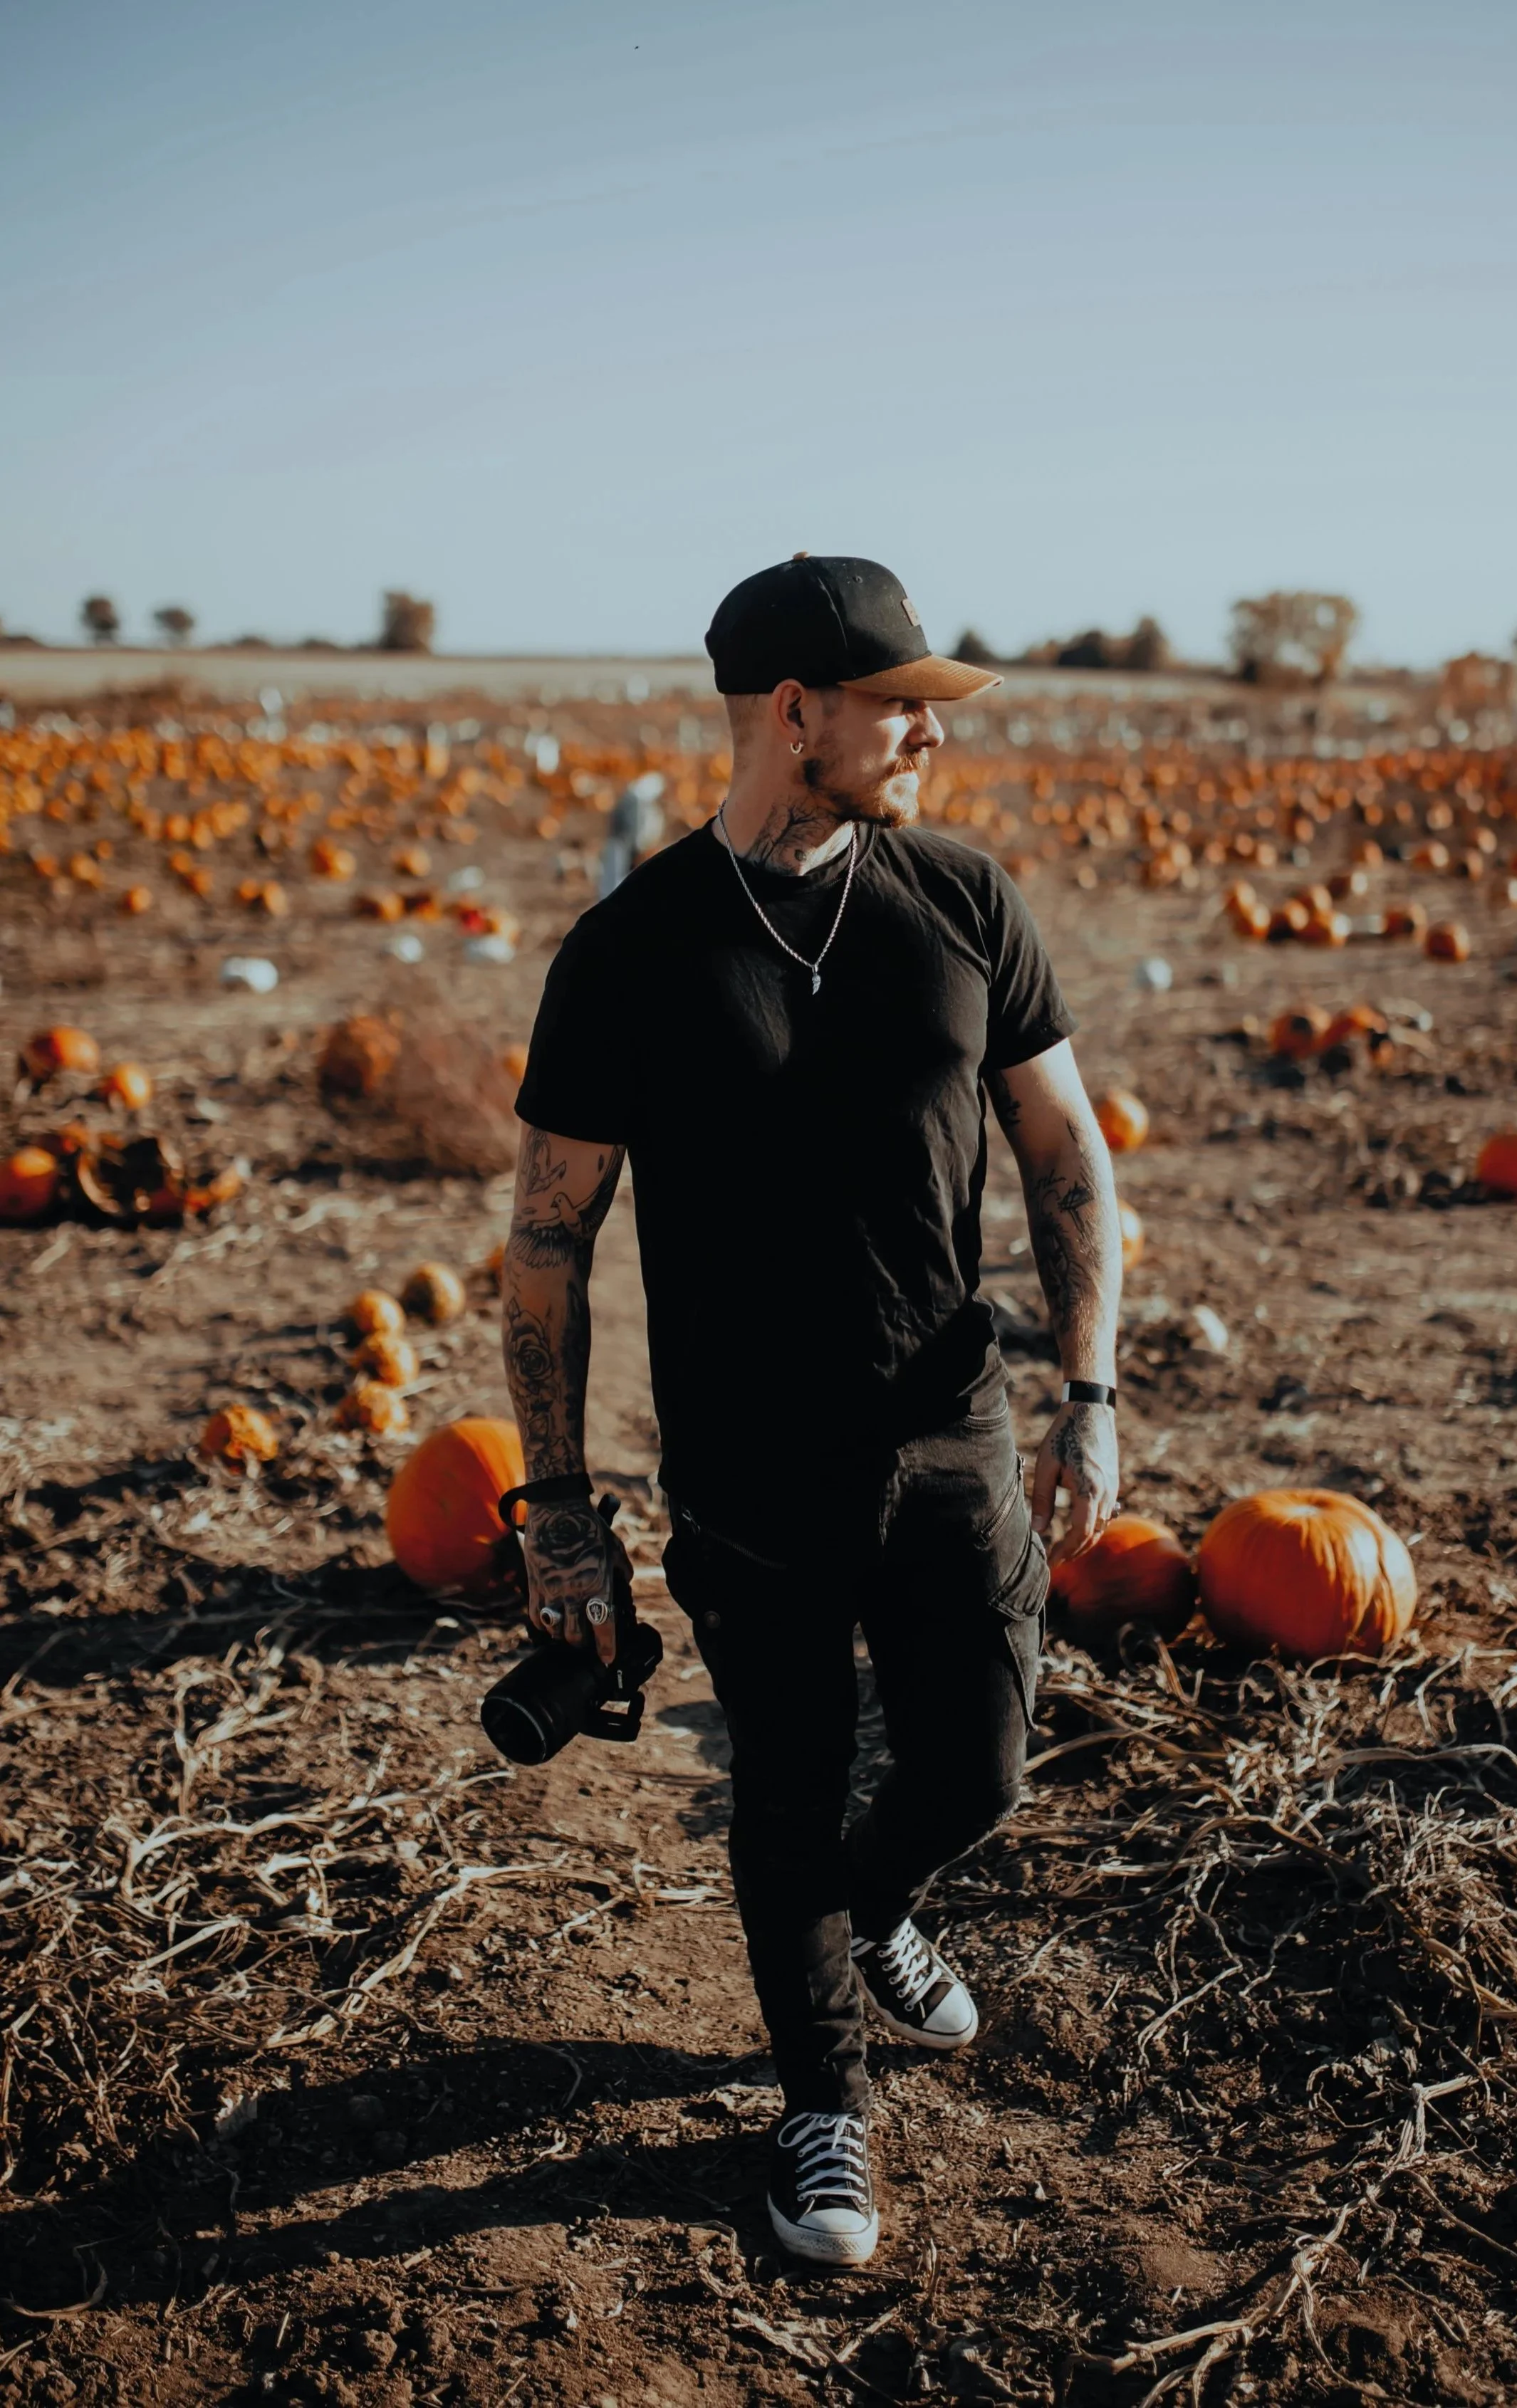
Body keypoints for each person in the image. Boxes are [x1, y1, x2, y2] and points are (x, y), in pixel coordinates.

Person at [501, 555, 1122, 2266]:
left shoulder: (964, 899)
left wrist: (1090, 1393)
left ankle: (877, 1906)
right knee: (780, 1778)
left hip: (950, 1428)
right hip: (748, 1465)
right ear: (795, 713)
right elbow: (549, 1237)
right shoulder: (629, 952)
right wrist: (554, 1506)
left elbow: (1065, 1154)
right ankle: (821, 2107)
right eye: (895, 700)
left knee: (977, 1761)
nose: (926, 727)